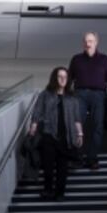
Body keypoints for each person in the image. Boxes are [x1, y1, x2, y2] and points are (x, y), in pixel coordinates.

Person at [27, 67, 83, 200]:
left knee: (62, 167)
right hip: (49, 134)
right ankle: (48, 190)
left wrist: (80, 134)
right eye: (60, 76)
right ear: (54, 78)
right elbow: (37, 111)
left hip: (66, 137)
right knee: (48, 165)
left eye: (65, 77)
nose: (63, 79)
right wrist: (33, 126)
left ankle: (60, 193)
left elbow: (77, 118)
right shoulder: (45, 95)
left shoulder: (72, 98)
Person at [68, 31, 107, 170]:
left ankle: (92, 158)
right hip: (79, 95)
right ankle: (77, 158)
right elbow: (69, 79)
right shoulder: (76, 59)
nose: (87, 43)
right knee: (76, 125)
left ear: (96, 42)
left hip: (99, 95)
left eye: (90, 41)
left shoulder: (104, 59)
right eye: (85, 41)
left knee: (98, 127)